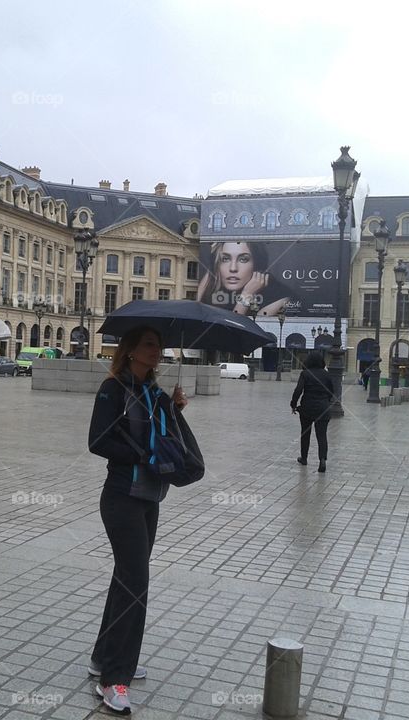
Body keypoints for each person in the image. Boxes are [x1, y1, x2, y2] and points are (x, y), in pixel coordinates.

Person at [86, 326, 188, 714]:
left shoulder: (156, 394)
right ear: (129, 350)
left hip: (150, 497)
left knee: (127, 577)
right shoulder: (113, 389)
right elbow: (98, 441)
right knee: (136, 583)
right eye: (149, 344)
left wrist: (173, 410)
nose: (157, 351)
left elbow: (163, 438)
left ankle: (102, 657)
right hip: (121, 497)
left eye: (159, 345)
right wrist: (140, 457)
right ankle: (114, 679)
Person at [196, 241, 291, 315]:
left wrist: (246, 295)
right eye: (225, 259)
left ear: (257, 264)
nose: (233, 268)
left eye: (243, 259)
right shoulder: (212, 280)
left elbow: (232, 333)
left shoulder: (279, 299)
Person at [291, 351, 335, 473]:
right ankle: (322, 460)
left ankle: (304, 458)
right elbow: (331, 391)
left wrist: (293, 404)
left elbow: (298, 390)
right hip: (323, 407)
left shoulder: (305, 374)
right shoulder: (327, 375)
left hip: (307, 407)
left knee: (305, 433)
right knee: (322, 435)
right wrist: (327, 401)